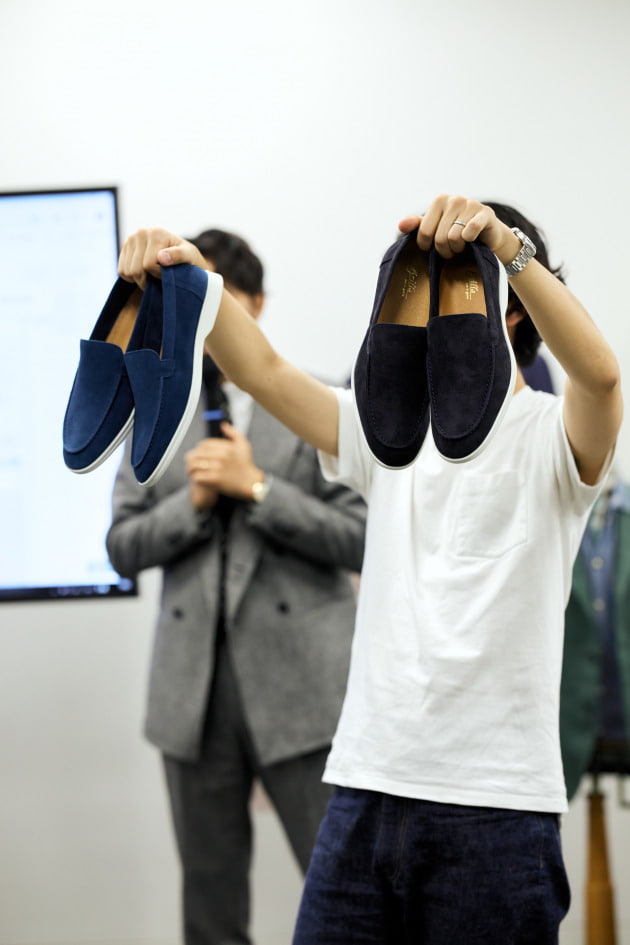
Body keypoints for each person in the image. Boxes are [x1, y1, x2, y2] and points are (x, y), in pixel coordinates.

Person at [116, 194, 623, 945]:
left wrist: (503, 247)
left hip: (497, 807)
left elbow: (603, 378)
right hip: (363, 790)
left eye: (463, 283)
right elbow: (262, 370)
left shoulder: (553, 436)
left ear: (514, 312)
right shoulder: (387, 433)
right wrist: (193, 277)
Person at [106, 228, 367, 945]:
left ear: (254, 303)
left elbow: (364, 538)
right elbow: (121, 547)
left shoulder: (321, 402)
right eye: (188, 303)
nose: (203, 321)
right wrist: (191, 504)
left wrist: (258, 488)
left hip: (306, 694)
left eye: (216, 300)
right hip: (192, 697)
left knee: (346, 900)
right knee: (210, 914)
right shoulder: (155, 409)